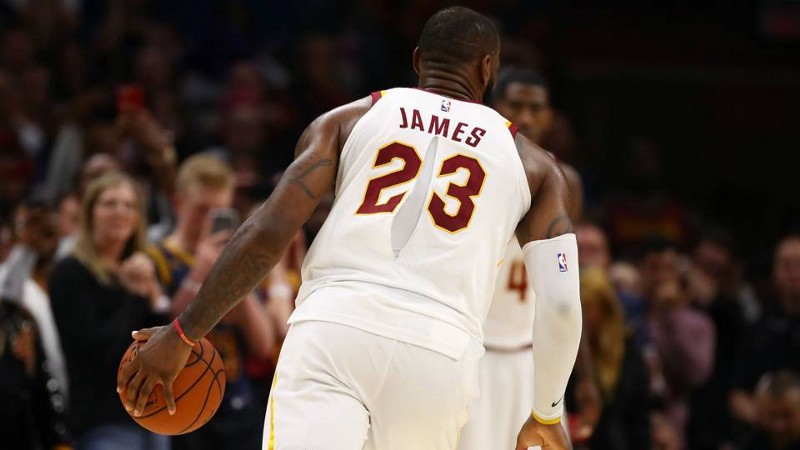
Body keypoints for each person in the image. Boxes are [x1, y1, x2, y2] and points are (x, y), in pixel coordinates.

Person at [118, 7, 582, 450]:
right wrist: (546, 413)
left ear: (418, 61)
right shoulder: (536, 166)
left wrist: (185, 331)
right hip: (440, 352)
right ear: (488, 69)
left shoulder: (349, 118)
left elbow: (267, 233)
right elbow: (561, 307)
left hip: (336, 326)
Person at [459, 68, 593, 450]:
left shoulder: (565, 181)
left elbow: (566, 292)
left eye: (536, 108)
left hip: (532, 360)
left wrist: (585, 376)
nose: (527, 117)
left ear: (550, 116)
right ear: (495, 106)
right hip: (473, 350)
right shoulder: (470, 167)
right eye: (516, 105)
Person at [146, 154, 274, 450]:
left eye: (218, 213)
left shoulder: (234, 261)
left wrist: (231, 272)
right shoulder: (155, 260)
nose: (207, 221)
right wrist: (201, 268)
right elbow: (166, 332)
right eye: (201, 210)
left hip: (237, 404)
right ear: (178, 203)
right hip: (183, 407)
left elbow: (264, 344)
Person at [50, 172, 171, 450]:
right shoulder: (70, 273)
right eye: (110, 203)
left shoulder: (142, 269)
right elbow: (99, 352)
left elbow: (165, 346)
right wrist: (135, 296)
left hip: (154, 417)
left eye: (129, 205)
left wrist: (155, 296)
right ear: (89, 213)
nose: (120, 211)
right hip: (102, 420)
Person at [571, 267, 650, 450]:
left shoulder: (628, 354)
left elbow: (639, 420)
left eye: (587, 307)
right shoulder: (560, 351)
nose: (581, 316)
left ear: (604, 309)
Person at [742, 371, 800, 450]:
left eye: (786, 415)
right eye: (772, 416)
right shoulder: (750, 442)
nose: (779, 426)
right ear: (760, 413)